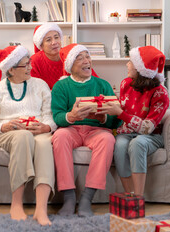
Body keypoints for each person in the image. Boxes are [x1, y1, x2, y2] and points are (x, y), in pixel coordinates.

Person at [0, 45, 57, 226]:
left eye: (29, 63)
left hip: (37, 131)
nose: (31, 67)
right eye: (25, 65)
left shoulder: (40, 85)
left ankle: (41, 209)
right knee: (23, 136)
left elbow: (50, 117)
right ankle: (16, 204)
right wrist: (3, 126)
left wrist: (46, 127)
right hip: (9, 133)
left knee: (45, 144)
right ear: (11, 70)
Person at [51, 43, 121, 217]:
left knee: (107, 139)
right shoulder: (61, 87)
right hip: (71, 129)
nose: (86, 61)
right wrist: (71, 116)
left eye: (87, 56)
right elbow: (57, 116)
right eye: (80, 57)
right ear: (70, 66)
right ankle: (68, 197)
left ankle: (86, 198)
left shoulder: (103, 85)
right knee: (59, 136)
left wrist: (103, 118)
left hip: (96, 131)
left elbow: (116, 121)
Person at [97, 46, 169, 197]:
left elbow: (148, 128)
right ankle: (128, 194)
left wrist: (121, 114)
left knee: (138, 143)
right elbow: (120, 112)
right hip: (126, 133)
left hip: (151, 136)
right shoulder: (126, 84)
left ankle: (138, 196)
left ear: (141, 68)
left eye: (131, 62)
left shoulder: (160, 93)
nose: (127, 64)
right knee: (121, 144)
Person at [30, 22, 98, 89]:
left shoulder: (71, 54)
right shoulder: (34, 61)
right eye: (48, 40)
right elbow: (34, 89)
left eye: (56, 37)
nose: (54, 42)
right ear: (41, 45)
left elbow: (95, 81)